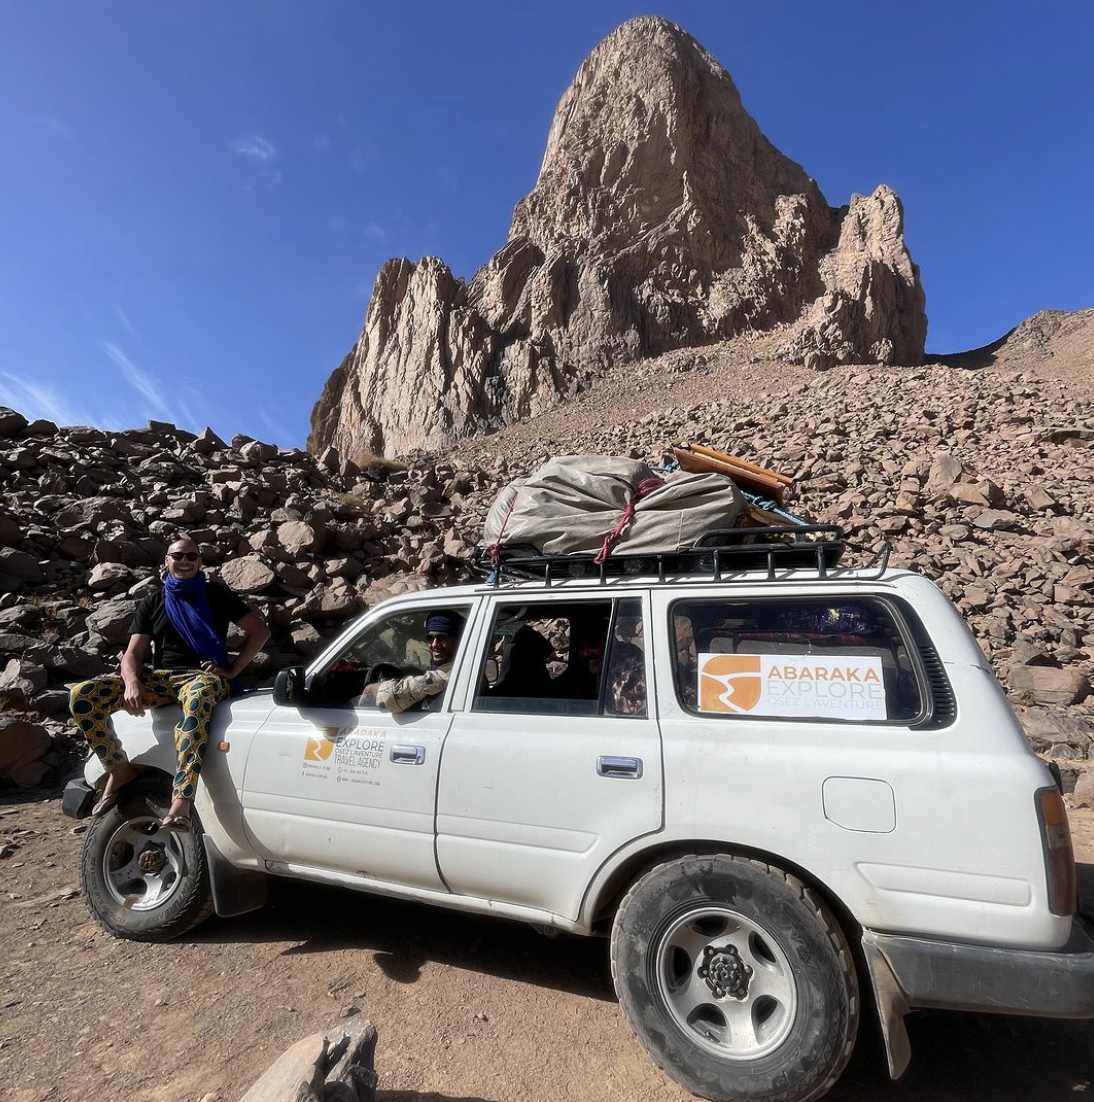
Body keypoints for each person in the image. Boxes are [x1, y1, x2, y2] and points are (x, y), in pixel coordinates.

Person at [69, 537, 270, 832]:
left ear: (199, 561)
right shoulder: (154, 601)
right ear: (167, 561)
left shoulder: (216, 594)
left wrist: (232, 669)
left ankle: (181, 801)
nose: (184, 561)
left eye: (191, 556)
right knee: (83, 695)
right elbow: (133, 654)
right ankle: (119, 769)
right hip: (162, 678)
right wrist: (132, 683)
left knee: (199, 700)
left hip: (202, 677)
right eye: (178, 556)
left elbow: (260, 631)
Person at [360, 610, 462, 714]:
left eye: (442, 638)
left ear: (458, 639)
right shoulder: (442, 667)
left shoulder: (457, 670)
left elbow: (404, 692)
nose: (434, 644)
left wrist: (374, 688)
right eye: (430, 638)